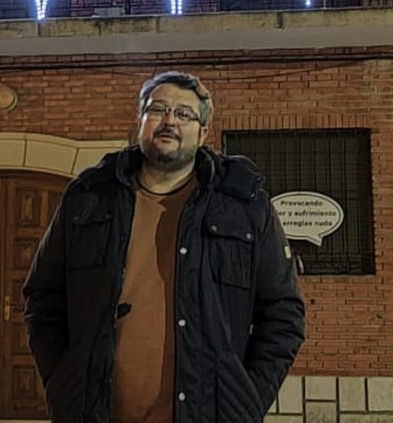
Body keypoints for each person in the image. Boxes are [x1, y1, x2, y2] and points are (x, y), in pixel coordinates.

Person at [22, 70, 304, 423]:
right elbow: (43, 298)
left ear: (203, 133)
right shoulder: (89, 198)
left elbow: (283, 314)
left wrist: (246, 401)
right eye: (157, 110)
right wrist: (62, 382)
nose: (169, 121)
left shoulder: (244, 207)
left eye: (184, 113)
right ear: (139, 121)